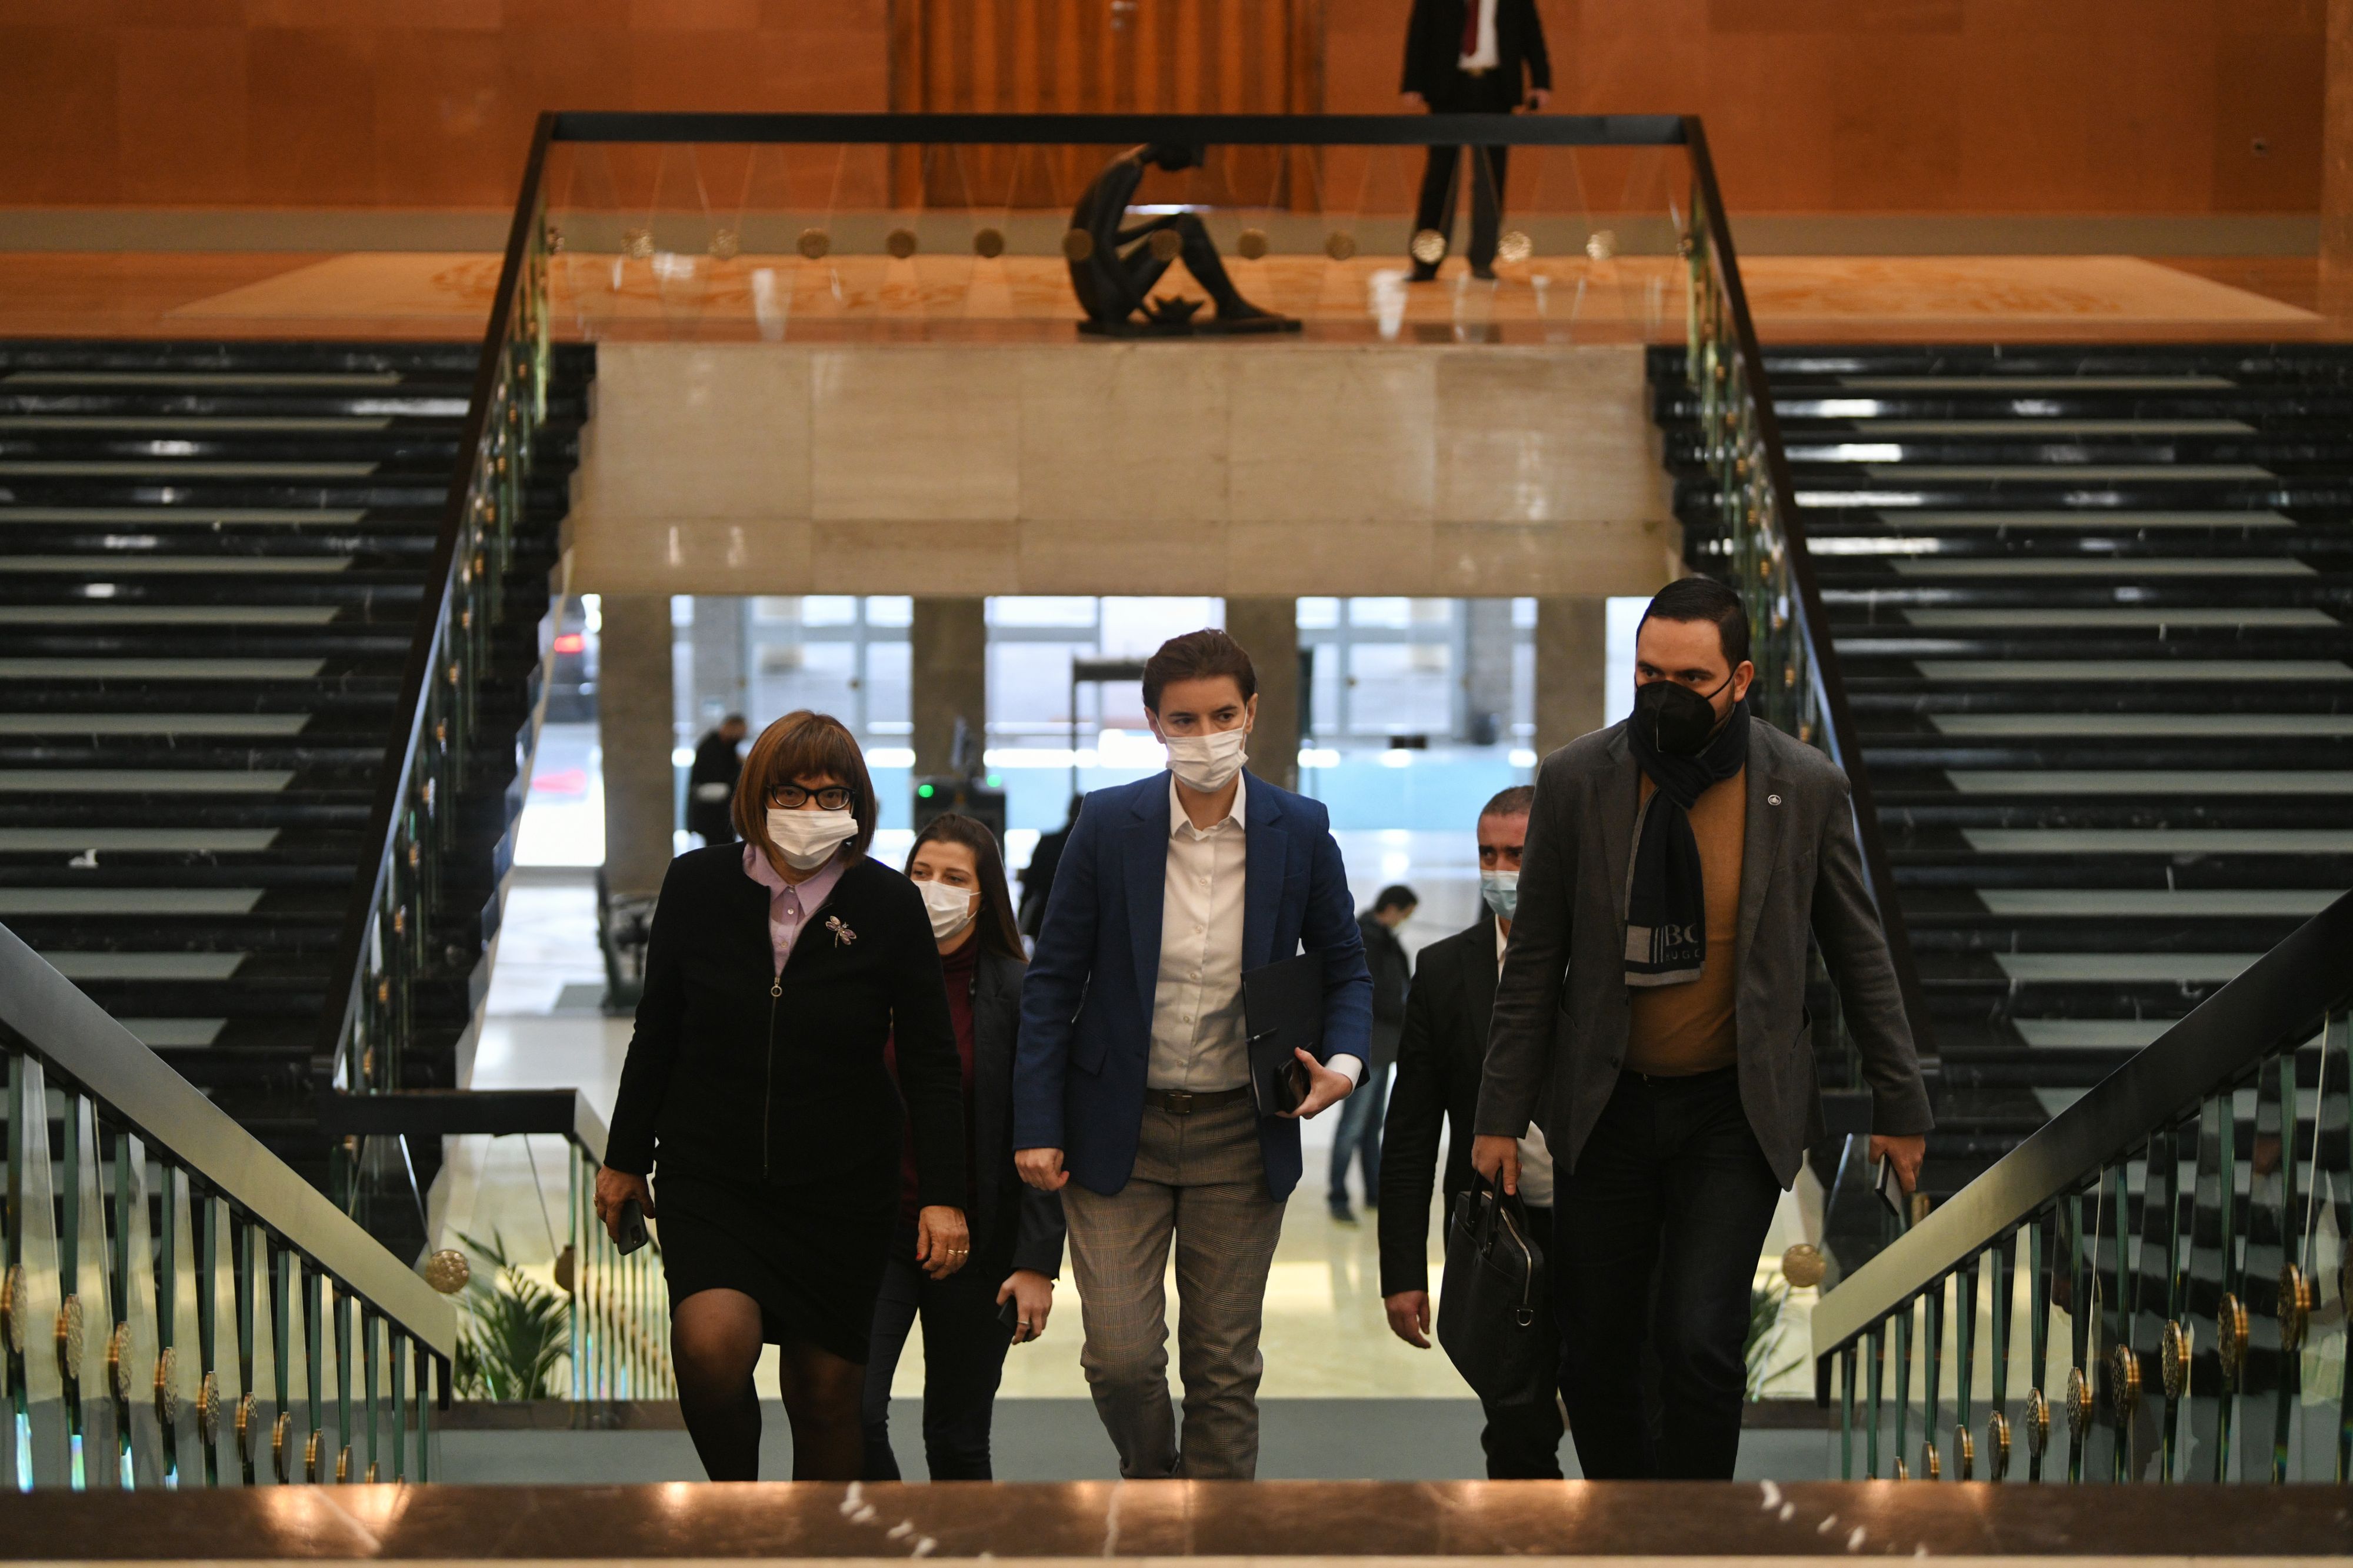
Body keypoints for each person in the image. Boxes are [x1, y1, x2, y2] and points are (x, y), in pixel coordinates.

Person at [1472, 576, 1934, 1480]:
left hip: (1734, 1107)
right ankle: (1623, 1522)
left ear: (1742, 679)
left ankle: (1694, 1526)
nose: (1665, 693)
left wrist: (1900, 1099)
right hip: (1605, 1107)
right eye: (1648, 673)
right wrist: (1498, 1112)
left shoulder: (1802, 787)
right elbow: (1534, 963)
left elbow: (1858, 951)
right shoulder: (1578, 779)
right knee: (1596, 1348)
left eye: (1690, 676)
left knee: (1699, 1338)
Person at [1013, 628, 1373, 1480]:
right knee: (1122, 1359)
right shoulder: (1107, 824)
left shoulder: (1300, 827)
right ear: (1153, 723)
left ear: (1251, 714)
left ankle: (1215, 1531)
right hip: (1116, 1130)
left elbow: (1347, 965)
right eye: (1184, 718)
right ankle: (1152, 1479)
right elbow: (1053, 981)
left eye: (1222, 714)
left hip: (1240, 1131)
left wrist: (1345, 1066)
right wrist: (1037, 1120)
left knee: (1222, 1370)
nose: (1205, 733)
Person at [597, 710, 971, 1482]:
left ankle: (814, 1551)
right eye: (791, 794)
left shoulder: (888, 905)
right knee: (709, 1344)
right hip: (713, 1171)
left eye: (830, 796)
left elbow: (932, 1062)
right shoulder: (696, 884)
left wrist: (942, 1194)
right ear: (757, 797)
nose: (809, 814)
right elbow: (657, 1025)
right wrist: (625, 1156)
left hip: (841, 1184)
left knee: (826, 1390)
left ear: (856, 805)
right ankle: (740, 1515)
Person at [862, 813, 1067, 1481]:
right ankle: (895, 1545)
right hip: (878, 1231)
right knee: (851, 1412)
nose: (932, 889)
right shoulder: (868, 974)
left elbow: (1048, 1127)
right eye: (920, 874)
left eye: (954, 877)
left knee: (955, 1438)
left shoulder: (1020, 988)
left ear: (986, 895)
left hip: (978, 1245)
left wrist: (1037, 1259)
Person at [1377, 786, 1564, 1476]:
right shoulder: (1445, 970)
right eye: (1488, 852)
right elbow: (1410, 1134)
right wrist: (1402, 1271)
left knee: (1617, 1412)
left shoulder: (1603, 960)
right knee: (1515, 1426)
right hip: (1497, 1236)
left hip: (1603, 1224)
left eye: (1517, 853)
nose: (1500, 868)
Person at [1399, 0, 1552, 281]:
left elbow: (1532, 33)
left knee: (1491, 179)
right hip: (1448, 87)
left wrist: (1541, 81)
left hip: (1497, 88)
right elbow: (1419, 33)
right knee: (1440, 178)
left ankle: (1483, 260)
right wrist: (1413, 83)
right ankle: (1426, 261)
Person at [1329, 883, 1417, 1223]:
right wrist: (1405, 1012)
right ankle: (1338, 1196)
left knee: (1370, 1126)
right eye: (1407, 914)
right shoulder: (1368, 939)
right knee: (1353, 1126)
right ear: (1393, 908)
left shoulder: (1386, 940)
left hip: (1384, 1048)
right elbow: (1376, 995)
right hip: (1368, 1049)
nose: (1406, 921)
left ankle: (1374, 1194)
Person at [1018, 794, 1083, 940]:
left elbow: (1030, 885)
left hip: (1045, 918)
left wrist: (1020, 923)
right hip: (1082, 921)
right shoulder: (1093, 848)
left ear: (1068, 811)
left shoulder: (1047, 843)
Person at [686, 713, 749, 845]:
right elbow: (721, 777)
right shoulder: (712, 748)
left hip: (718, 813)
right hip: (713, 814)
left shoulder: (722, 747)